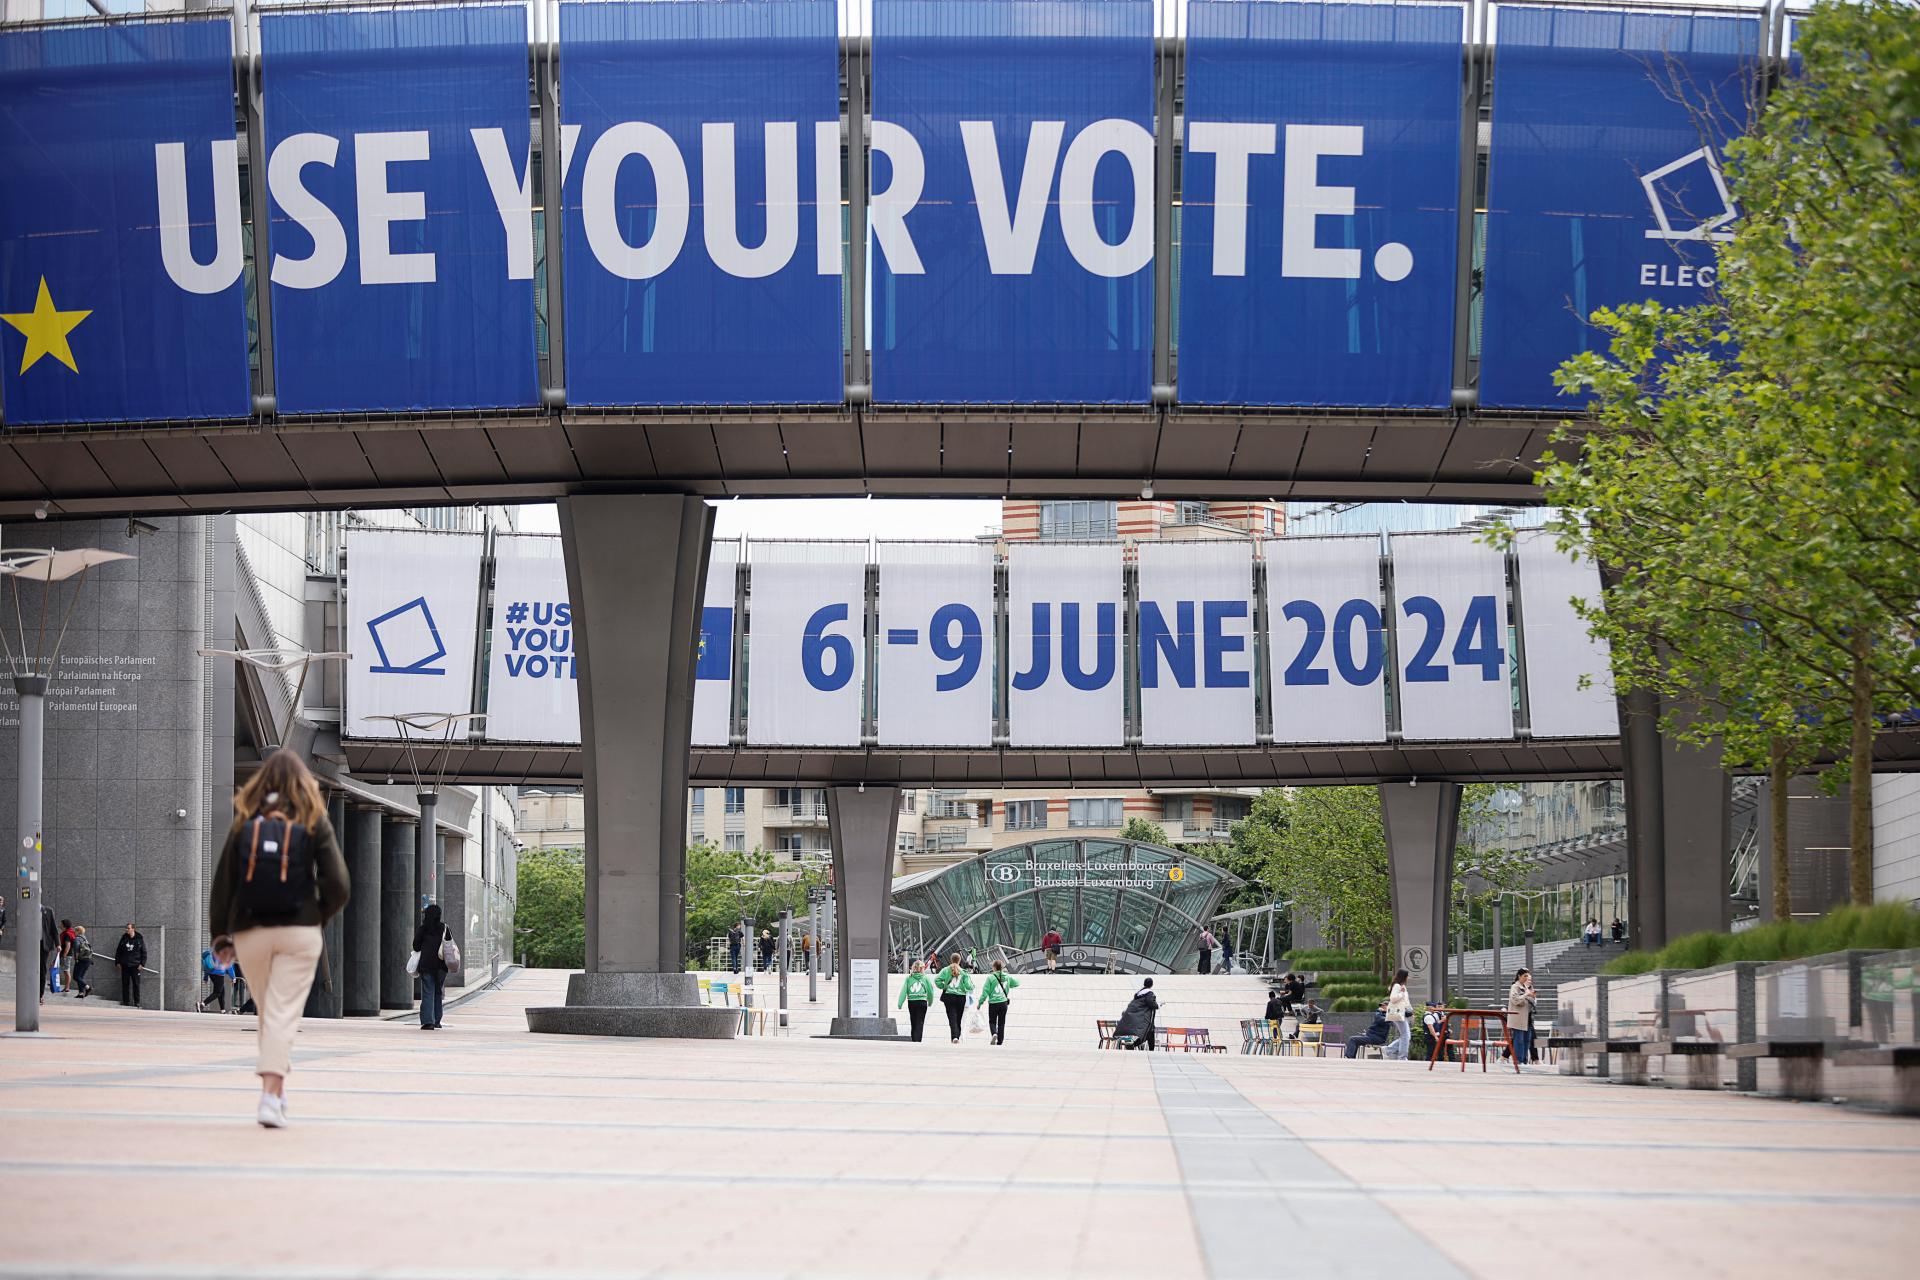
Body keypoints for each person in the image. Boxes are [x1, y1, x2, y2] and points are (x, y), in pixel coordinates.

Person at [208, 747, 350, 1129]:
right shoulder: (313, 818)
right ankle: (270, 1096)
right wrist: (312, 915)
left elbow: (224, 883)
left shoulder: (246, 818)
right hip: (298, 932)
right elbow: (338, 884)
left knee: (271, 1013)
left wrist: (221, 934)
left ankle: (278, 1090)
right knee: (282, 1013)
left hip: (251, 931)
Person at [414, 903, 451, 1030]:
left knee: (428, 992)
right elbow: (449, 946)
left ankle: (428, 1021)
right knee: (438, 992)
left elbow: (416, 946)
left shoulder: (423, 929)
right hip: (441, 965)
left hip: (427, 965)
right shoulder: (444, 928)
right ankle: (437, 1020)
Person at [933, 953, 973, 1044]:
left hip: (949, 996)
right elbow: (968, 986)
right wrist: (968, 988)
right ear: (959, 960)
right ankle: (956, 1036)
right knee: (958, 1018)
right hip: (960, 997)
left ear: (951, 960)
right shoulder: (964, 972)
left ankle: (954, 1037)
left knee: (952, 1017)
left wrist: (944, 986)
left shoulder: (945, 970)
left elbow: (937, 980)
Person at [978, 960, 1019, 1045]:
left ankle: (994, 1033)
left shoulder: (990, 978)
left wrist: (980, 1003)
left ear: (994, 967)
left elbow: (985, 992)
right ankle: (1000, 1041)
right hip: (1003, 1003)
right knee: (1001, 1022)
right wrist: (1008, 985)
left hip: (993, 1003)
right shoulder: (1007, 977)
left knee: (992, 1021)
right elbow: (1017, 983)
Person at [897, 959, 936, 1042]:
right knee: (920, 1022)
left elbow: (904, 991)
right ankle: (918, 1040)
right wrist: (930, 1001)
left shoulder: (909, 978)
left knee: (913, 1021)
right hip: (922, 1002)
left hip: (912, 1002)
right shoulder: (925, 978)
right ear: (922, 968)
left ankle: (914, 1039)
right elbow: (930, 991)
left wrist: (900, 1003)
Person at [1116, 978, 1159, 1050]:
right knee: (1148, 1032)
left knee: (1149, 1033)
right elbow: (1151, 1003)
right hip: (1146, 1018)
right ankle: (1138, 1046)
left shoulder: (1139, 994)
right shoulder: (1149, 993)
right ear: (1151, 984)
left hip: (1139, 1017)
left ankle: (1133, 1045)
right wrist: (1157, 1005)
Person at [1507, 969, 1537, 1067]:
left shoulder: (1527, 987)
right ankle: (1518, 1061)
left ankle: (1524, 1060)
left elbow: (1533, 1002)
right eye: (1524, 976)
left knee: (1526, 1040)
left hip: (1527, 1018)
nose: (1526, 978)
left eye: (1527, 976)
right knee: (1518, 1040)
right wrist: (1526, 994)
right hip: (1518, 1018)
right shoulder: (1515, 987)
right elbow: (1515, 1000)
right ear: (1519, 976)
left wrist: (1531, 996)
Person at [113, 921, 146, 1007]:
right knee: (125, 984)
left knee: (136, 985)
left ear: (133, 929)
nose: (126, 929)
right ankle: (126, 1001)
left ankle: (137, 1002)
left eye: (128, 928)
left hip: (135, 966)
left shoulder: (139, 939)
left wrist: (142, 964)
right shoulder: (124, 938)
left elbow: (144, 952)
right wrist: (118, 962)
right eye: (126, 928)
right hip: (125, 965)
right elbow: (118, 951)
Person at [1383, 969, 1413, 1061]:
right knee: (1406, 1035)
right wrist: (1401, 993)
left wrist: (1411, 1011)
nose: (1408, 977)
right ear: (1404, 976)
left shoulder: (1401, 986)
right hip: (1398, 1013)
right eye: (1407, 976)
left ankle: (1388, 1049)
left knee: (1406, 1035)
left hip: (1402, 1013)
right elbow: (1392, 999)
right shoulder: (1397, 986)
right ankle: (1402, 1057)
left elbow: (1406, 1001)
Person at [200, 943, 234, 1012]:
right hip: (219, 974)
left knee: (222, 991)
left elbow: (207, 965)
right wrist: (233, 977)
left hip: (211, 974)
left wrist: (206, 977)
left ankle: (223, 1010)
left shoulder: (211, 952)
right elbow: (229, 966)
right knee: (217, 992)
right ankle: (203, 1003)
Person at [68, 925, 93, 998]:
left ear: (78, 931)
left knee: (76, 977)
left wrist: (76, 959)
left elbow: (76, 951)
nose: (74, 932)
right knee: (80, 977)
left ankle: (88, 988)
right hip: (88, 960)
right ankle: (81, 993)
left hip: (81, 960)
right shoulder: (85, 939)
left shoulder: (77, 939)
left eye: (75, 931)